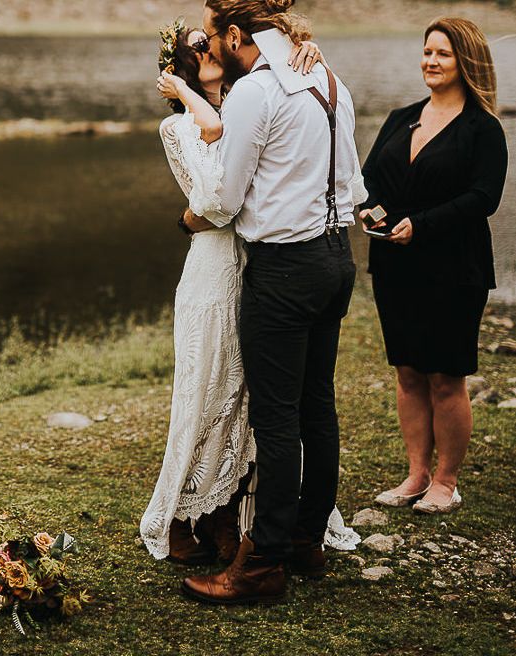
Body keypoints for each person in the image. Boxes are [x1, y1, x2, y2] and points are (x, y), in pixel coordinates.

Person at [139, 16, 362, 567]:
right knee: (209, 394)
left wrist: (304, 47)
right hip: (217, 273)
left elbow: (238, 187)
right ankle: (188, 514)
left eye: (209, 36)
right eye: (195, 44)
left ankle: (240, 516)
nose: (207, 44)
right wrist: (190, 101)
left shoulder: (255, 95)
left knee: (255, 405)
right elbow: (216, 201)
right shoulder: (181, 127)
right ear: (181, 68)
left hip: (263, 267)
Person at [360, 17, 508, 514]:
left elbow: (484, 198)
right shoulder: (403, 115)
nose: (431, 61)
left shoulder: (483, 127)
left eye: (442, 53)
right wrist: (371, 212)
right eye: (427, 51)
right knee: (407, 372)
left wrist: (420, 224)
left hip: (453, 267)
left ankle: (446, 480)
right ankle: (416, 474)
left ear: (465, 61)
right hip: (394, 264)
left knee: (446, 376)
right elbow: (368, 177)